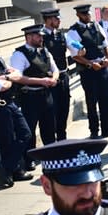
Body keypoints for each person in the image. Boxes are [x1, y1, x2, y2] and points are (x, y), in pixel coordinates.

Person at [0, 31, 32, 186]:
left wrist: (8, 77)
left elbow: (17, 73)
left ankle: (7, 168)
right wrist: (7, 80)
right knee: (7, 141)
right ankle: (13, 172)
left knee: (25, 134)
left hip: (10, 103)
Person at [10, 24, 59, 171]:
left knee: (49, 126)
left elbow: (54, 68)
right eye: (38, 36)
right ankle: (29, 159)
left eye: (42, 36)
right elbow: (17, 77)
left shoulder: (44, 51)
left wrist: (54, 78)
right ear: (29, 37)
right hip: (30, 96)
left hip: (46, 94)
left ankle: (50, 154)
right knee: (30, 129)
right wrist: (41, 81)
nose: (41, 38)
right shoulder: (19, 55)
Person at [66, 4, 108, 139]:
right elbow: (75, 55)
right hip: (88, 70)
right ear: (78, 15)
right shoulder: (73, 31)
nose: (88, 16)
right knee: (91, 101)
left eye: (88, 14)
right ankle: (94, 130)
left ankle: (107, 128)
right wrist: (90, 63)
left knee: (106, 98)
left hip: (102, 66)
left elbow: (105, 44)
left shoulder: (96, 25)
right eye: (84, 14)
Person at [41, 8, 73, 141]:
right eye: (56, 19)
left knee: (63, 109)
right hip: (49, 80)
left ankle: (62, 139)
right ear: (48, 20)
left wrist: (80, 49)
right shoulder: (41, 36)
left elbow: (74, 47)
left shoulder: (61, 35)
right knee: (51, 113)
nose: (59, 21)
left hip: (63, 76)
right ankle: (51, 143)